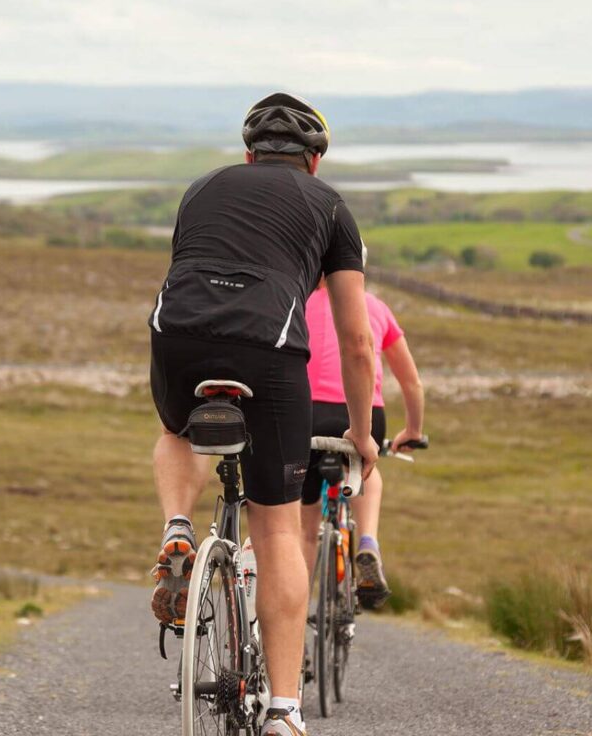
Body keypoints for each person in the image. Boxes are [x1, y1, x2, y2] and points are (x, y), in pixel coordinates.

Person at [147, 92, 377, 736]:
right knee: (277, 529)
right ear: (315, 162)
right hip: (269, 347)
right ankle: (283, 709)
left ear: (248, 153)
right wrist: (360, 433)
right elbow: (357, 343)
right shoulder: (331, 207)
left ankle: (177, 528)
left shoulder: (202, 187)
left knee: (174, 431)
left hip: (179, 332)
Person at [301, 254, 425, 610]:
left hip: (305, 412)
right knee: (368, 469)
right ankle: (368, 541)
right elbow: (412, 382)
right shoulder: (375, 307)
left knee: (303, 530)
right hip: (364, 412)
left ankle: (294, 616)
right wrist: (412, 430)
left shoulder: (302, 301)